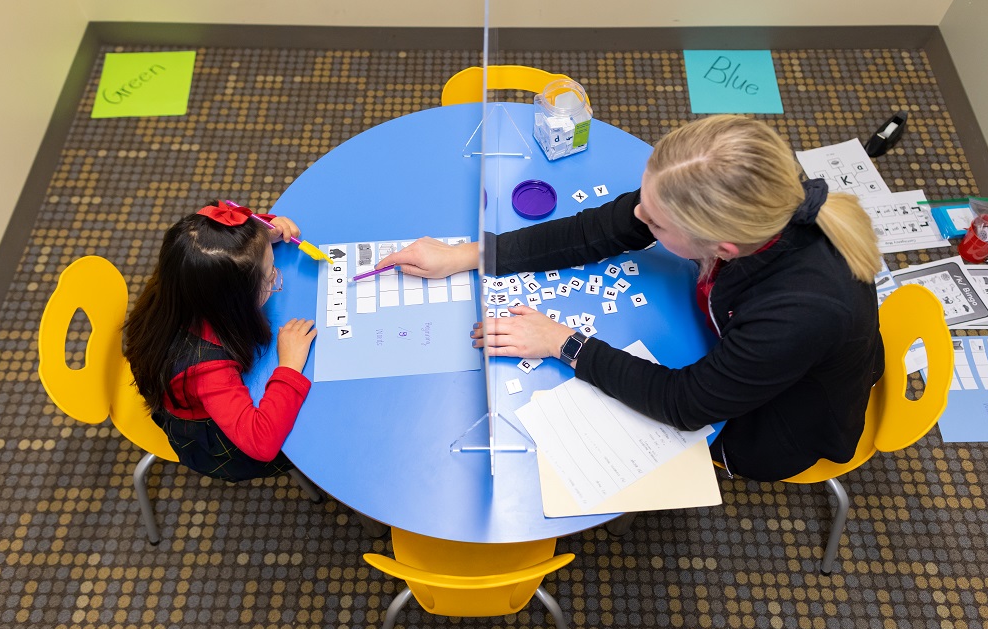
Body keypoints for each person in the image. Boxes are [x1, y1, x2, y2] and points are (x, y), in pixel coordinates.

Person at [375, 115, 884, 482]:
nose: (638, 217)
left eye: (655, 223)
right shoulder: (755, 196)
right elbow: (600, 227)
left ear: (722, 248)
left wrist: (563, 342)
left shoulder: (801, 312)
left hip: (772, 426)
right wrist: (470, 254)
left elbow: (686, 403)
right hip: (746, 348)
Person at [124, 200, 318, 482]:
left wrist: (263, 236)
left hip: (181, 379)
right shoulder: (207, 369)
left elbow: (222, 244)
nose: (276, 280)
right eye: (269, 276)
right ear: (233, 301)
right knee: (308, 436)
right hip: (214, 442)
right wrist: (288, 366)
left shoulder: (185, 279)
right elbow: (261, 443)